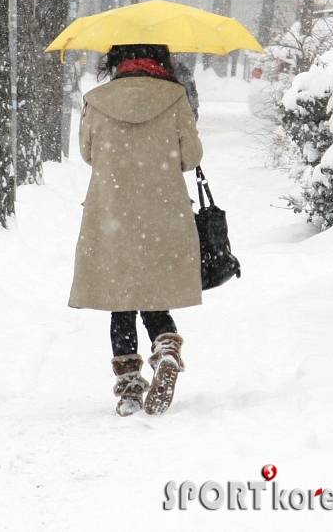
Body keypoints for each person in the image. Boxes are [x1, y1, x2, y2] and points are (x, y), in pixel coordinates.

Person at [68, 44, 203, 416]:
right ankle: (166, 350)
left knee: (120, 300)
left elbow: (88, 153)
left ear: (115, 60)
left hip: (112, 211)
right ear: (161, 58)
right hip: (163, 211)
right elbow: (191, 157)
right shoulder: (175, 97)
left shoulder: (96, 99)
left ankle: (129, 389)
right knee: (154, 290)